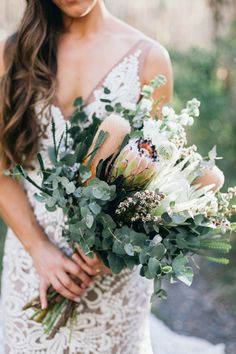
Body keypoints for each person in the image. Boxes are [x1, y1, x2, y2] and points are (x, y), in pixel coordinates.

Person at [0, 1, 222, 353]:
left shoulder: (149, 59)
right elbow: (2, 167)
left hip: (113, 284)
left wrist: (110, 254)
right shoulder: (14, 53)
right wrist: (39, 250)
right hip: (30, 270)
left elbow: (155, 181)